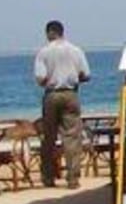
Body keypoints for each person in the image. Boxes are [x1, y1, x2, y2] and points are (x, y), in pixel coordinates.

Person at [32, 18, 89, 188]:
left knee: (48, 137)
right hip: (71, 93)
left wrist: (51, 79)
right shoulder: (76, 50)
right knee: (72, 137)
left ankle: (48, 176)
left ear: (50, 33)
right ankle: (73, 178)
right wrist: (72, 78)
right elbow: (85, 74)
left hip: (52, 94)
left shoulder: (43, 52)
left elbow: (40, 78)